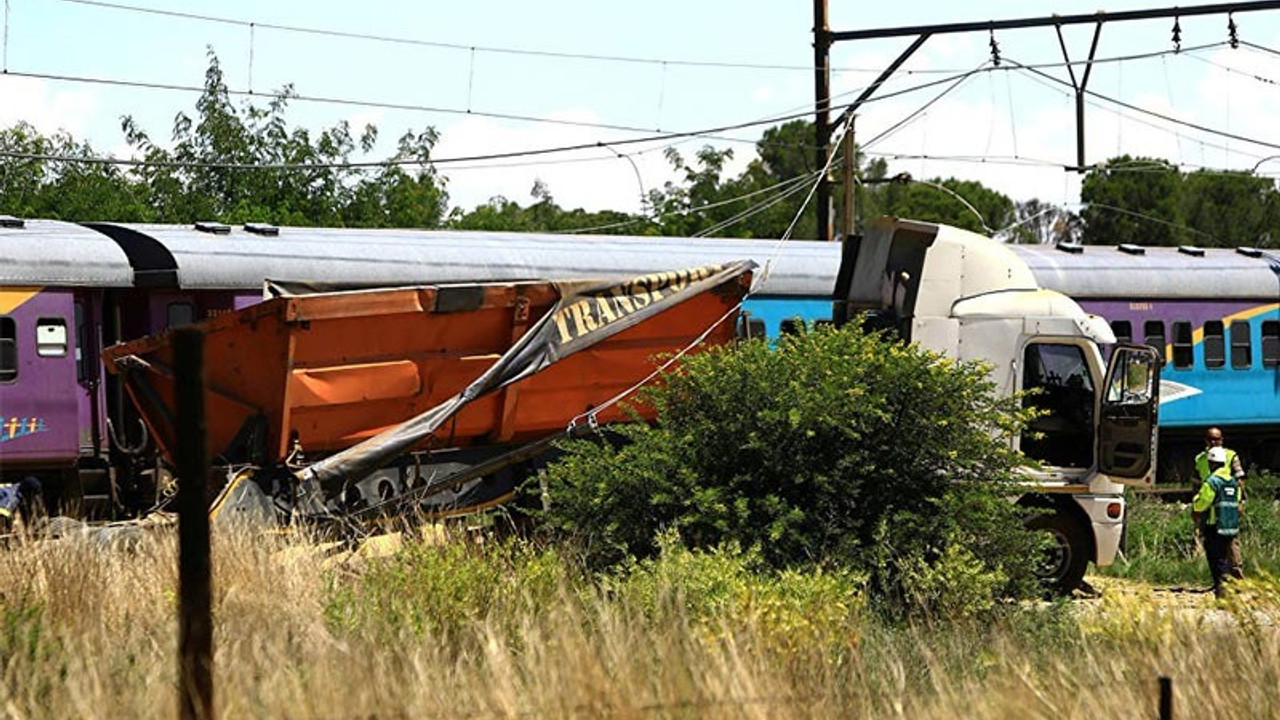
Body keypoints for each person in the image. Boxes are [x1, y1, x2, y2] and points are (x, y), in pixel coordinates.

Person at [1192, 446, 1244, 597]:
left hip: (1214, 525)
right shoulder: (1232, 481)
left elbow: (1203, 502)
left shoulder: (1212, 481)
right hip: (1230, 525)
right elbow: (1237, 499)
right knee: (1228, 558)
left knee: (1217, 560)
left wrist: (1195, 504)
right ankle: (1233, 589)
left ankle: (1222, 593)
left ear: (1211, 463)